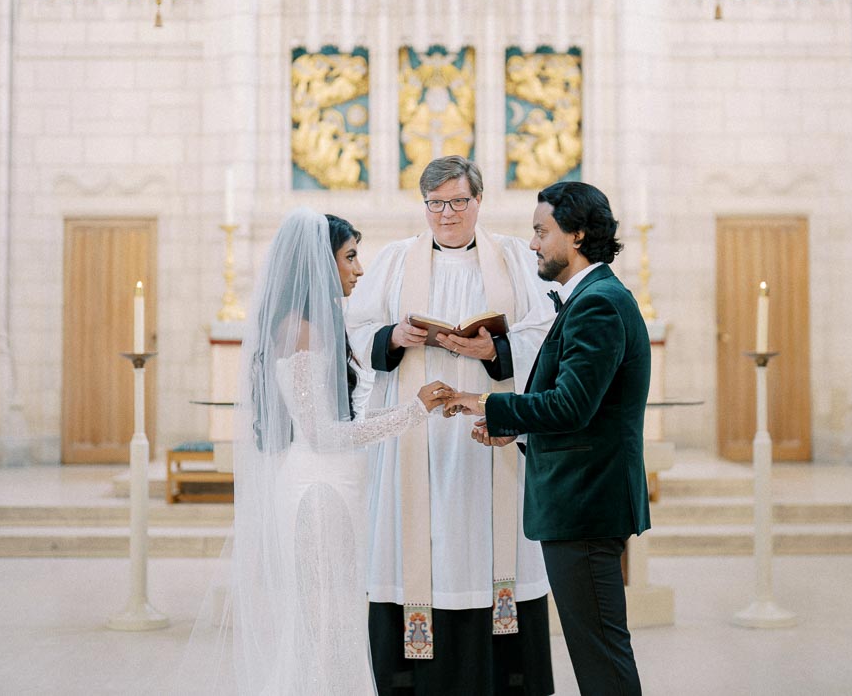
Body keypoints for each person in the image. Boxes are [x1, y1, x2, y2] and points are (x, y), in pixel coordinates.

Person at [180, 208, 452, 694]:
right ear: (320, 263)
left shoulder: (316, 325)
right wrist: (412, 412)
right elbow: (323, 435)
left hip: (334, 486)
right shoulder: (302, 330)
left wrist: (404, 408)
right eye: (350, 257)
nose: (359, 269)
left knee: (337, 620)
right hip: (318, 493)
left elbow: (336, 424)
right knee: (326, 624)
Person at [345, 156, 558, 695]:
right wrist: (393, 337)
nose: (447, 214)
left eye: (458, 202)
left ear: (478, 202)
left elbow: (546, 335)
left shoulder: (512, 258)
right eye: (436, 203)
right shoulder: (395, 262)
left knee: (493, 547)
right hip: (415, 441)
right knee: (421, 549)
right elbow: (356, 328)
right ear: (424, 206)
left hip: (490, 441)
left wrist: (496, 348)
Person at [448, 181, 651, 696]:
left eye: (542, 231)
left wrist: (486, 404)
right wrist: (513, 428)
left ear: (577, 234)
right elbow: (584, 409)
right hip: (584, 500)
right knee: (596, 651)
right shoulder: (592, 298)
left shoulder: (598, 304)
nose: (533, 244)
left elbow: (570, 405)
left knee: (602, 657)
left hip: (584, 504)